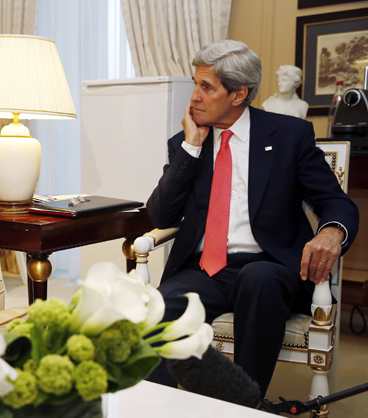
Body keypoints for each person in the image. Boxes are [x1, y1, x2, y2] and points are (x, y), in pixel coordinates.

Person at [146, 41, 359, 396]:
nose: (194, 96)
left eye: (206, 87)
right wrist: (192, 148)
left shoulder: (289, 136)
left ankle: (242, 406)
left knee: (259, 279)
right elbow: (161, 214)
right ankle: (156, 408)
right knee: (162, 305)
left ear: (238, 94)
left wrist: (332, 231)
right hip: (205, 270)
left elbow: (335, 202)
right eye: (195, 84)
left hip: (270, 265)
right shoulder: (185, 142)